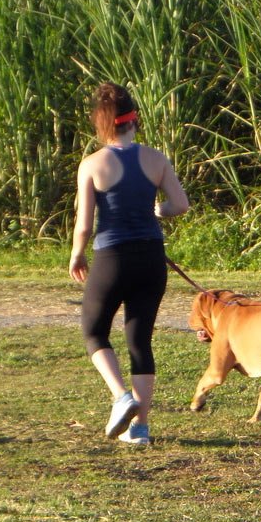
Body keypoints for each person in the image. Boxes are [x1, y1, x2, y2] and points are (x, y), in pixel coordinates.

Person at [69, 82, 189, 445]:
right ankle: (140, 428)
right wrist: (158, 210)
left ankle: (121, 397)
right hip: (151, 258)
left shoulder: (92, 164)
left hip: (112, 258)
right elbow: (180, 204)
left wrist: (77, 253)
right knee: (140, 341)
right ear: (135, 119)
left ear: (102, 123)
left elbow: (85, 224)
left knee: (94, 331)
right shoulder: (156, 159)